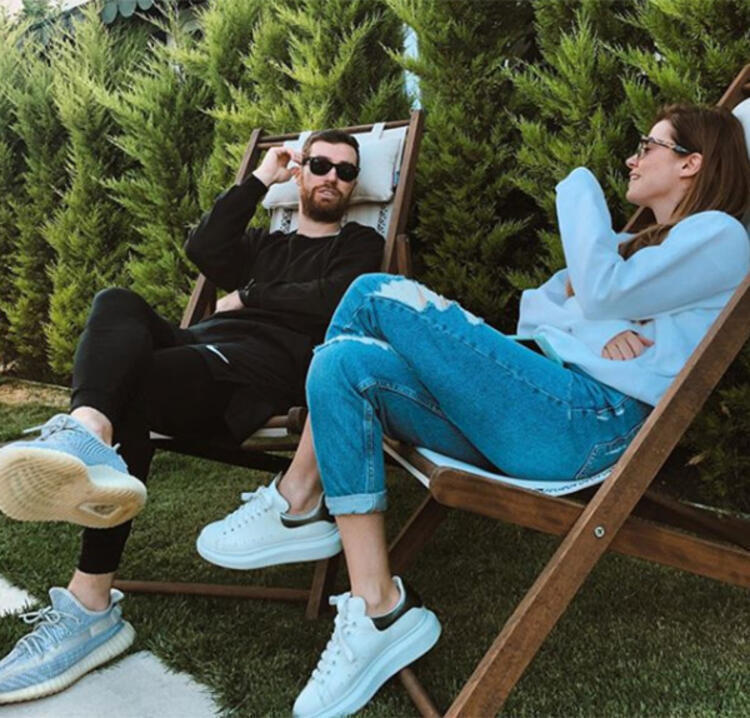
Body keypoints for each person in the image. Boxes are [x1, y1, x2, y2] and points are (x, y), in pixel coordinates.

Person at [203, 103, 750, 717]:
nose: (632, 157)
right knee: (343, 363)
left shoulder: (721, 236)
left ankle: (298, 498)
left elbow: (596, 291)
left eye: (648, 145)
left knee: (372, 292)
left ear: (691, 163)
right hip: (541, 406)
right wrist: (604, 328)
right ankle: (379, 609)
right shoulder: (631, 246)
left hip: (583, 422)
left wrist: (579, 184)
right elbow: (536, 310)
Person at [0, 129, 384, 704]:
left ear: (354, 186)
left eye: (346, 171)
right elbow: (204, 246)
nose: (332, 177)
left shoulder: (358, 244)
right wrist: (261, 177)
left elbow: (337, 298)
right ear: (301, 172)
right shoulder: (263, 243)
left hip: (252, 370)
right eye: (321, 164)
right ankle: (88, 431)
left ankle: (90, 604)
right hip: (201, 344)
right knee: (115, 301)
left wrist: (249, 298)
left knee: (132, 388)